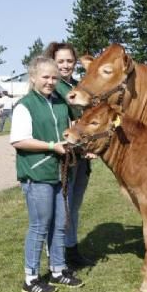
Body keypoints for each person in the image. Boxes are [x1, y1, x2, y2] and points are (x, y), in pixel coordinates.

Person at [10, 56, 84, 292]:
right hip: (37, 173)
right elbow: (19, 140)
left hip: (61, 173)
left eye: (54, 77)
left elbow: (72, 131)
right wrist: (52, 146)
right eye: (46, 77)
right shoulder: (25, 105)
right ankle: (30, 278)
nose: (51, 81)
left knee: (60, 225)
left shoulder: (61, 104)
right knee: (40, 226)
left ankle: (57, 269)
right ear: (33, 78)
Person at [44, 42, 94, 268]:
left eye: (69, 61)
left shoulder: (78, 86)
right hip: (63, 156)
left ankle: (71, 249)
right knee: (61, 208)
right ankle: (56, 254)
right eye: (60, 61)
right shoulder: (50, 88)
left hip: (81, 155)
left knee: (73, 207)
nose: (65, 66)